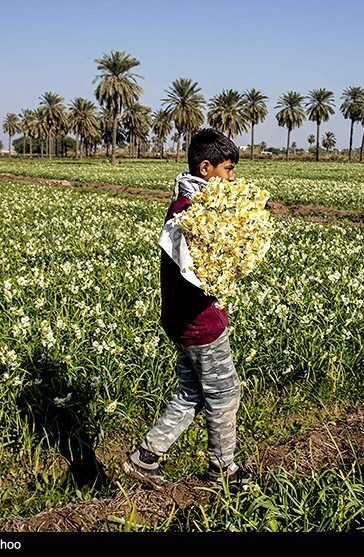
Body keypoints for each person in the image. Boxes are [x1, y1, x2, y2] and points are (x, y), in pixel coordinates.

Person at [122, 128, 251, 491]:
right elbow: (199, 272)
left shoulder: (187, 201)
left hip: (180, 319)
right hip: (200, 324)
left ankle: (145, 458)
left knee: (192, 391)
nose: (232, 177)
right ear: (206, 167)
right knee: (224, 393)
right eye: (228, 169)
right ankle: (222, 470)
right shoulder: (192, 213)